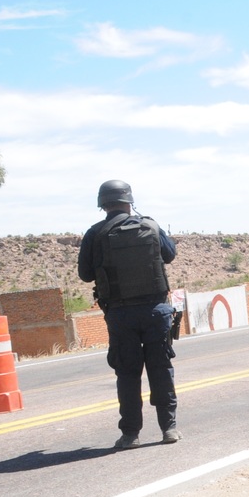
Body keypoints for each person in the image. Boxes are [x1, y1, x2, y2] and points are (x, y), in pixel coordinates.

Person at [78, 180, 181, 450]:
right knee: (161, 369)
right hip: (156, 311)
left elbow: (85, 274)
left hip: (120, 314)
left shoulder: (95, 233)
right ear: (129, 201)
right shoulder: (150, 226)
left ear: (103, 205)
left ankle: (130, 435)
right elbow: (170, 255)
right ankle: (169, 428)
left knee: (127, 374)